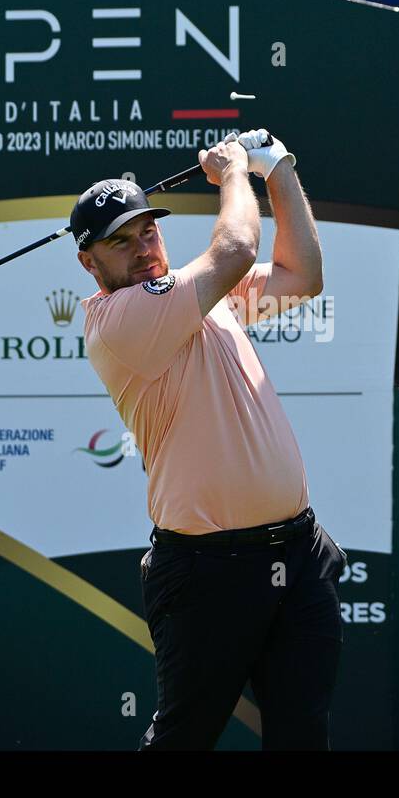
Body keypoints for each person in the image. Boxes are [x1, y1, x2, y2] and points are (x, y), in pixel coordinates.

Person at [70, 130, 347, 750]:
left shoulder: (197, 295)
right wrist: (231, 173)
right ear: (89, 263)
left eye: (148, 231)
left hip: (297, 554)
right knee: (183, 742)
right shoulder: (121, 321)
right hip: (207, 573)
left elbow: (304, 276)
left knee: (303, 738)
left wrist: (279, 169)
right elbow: (239, 246)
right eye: (122, 241)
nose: (144, 248)